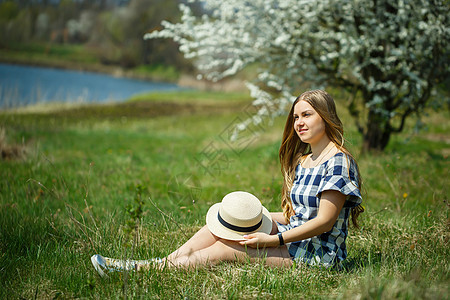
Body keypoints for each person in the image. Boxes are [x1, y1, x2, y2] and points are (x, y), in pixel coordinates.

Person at [91, 89, 363, 276]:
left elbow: (324, 222)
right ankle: (157, 263)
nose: (299, 123)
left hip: (319, 256)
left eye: (307, 115)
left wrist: (273, 239)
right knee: (223, 226)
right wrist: (252, 218)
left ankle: (140, 270)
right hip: (295, 241)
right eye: (295, 117)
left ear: (325, 117)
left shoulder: (337, 161)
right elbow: (297, 216)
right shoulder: (304, 161)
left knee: (227, 248)